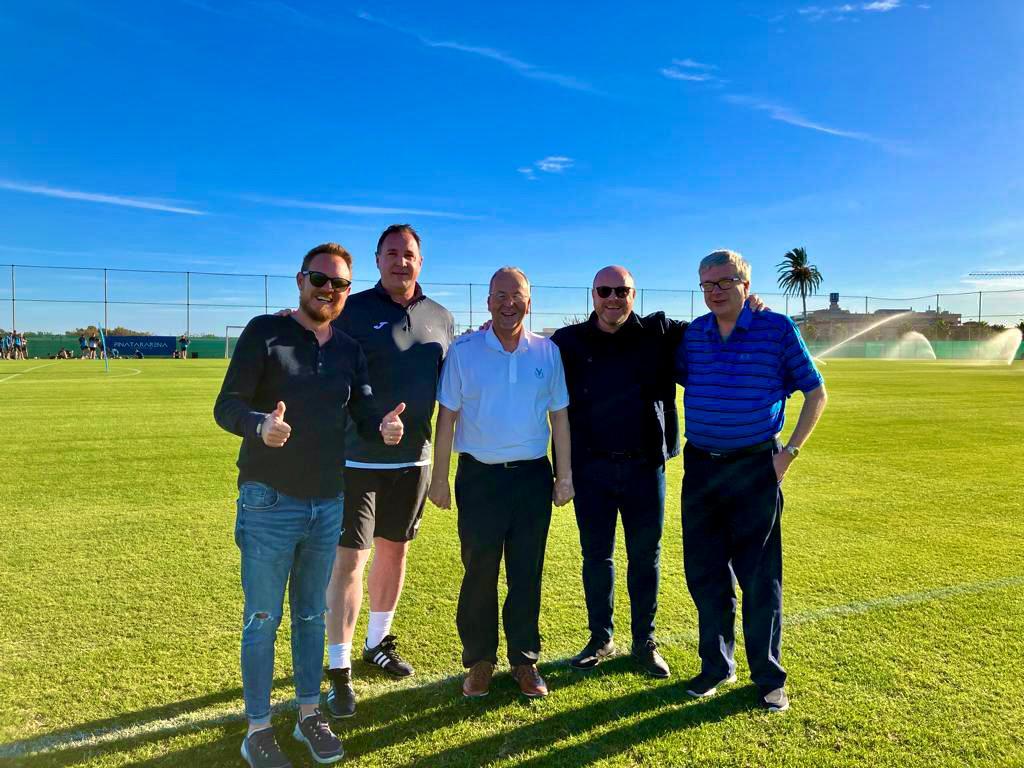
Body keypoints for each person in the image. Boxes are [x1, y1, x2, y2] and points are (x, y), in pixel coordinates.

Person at [214, 242, 407, 768]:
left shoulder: (347, 349)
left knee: (309, 614)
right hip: (268, 500)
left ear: (348, 289)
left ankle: (306, 714)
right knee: (262, 616)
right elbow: (226, 405)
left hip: (327, 501)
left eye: (340, 284)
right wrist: (260, 426)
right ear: (301, 280)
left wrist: (385, 427)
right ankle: (257, 728)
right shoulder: (264, 332)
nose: (329, 290)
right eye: (320, 280)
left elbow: (365, 413)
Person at [675, 250, 827, 713]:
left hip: (755, 467)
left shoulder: (776, 328)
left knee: (759, 577)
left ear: (746, 283)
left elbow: (816, 391)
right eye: (707, 284)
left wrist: (789, 454)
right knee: (704, 574)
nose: (715, 291)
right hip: (700, 467)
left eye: (724, 282)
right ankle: (716, 666)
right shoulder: (694, 335)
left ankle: (768, 676)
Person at [322, 224, 454, 719]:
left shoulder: (441, 317)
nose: (401, 261)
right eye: (392, 253)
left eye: (410, 254)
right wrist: (374, 416)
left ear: (422, 261)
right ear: (376, 260)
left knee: (395, 552)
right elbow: (334, 375)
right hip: (357, 459)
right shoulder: (351, 311)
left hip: (414, 460)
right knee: (350, 560)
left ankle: (378, 643)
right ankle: (339, 668)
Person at [428, 266, 574, 700]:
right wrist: (439, 479)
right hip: (480, 478)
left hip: (531, 477)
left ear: (530, 302)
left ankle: (524, 661)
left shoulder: (547, 352)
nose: (509, 303)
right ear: (488, 302)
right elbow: (447, 418)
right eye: (500, 296)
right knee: (479, 572)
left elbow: (560, 416)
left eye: (517, 296)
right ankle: (479, 661)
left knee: (526, 573)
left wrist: (563, 476)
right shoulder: (464, 350)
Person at [550, 266, 684, 678]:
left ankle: (644, 641)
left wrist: (750, 305)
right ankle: (601, 637)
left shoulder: (659, 333)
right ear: (592, 294)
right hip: (592, 470)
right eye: (604, 290)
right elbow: (525, 350)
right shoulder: (568, 341)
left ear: (633, 294)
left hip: (646, 469)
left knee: (646, 557)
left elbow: (717, 324)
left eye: (621, 291)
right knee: (597, 557)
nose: (613, 298)